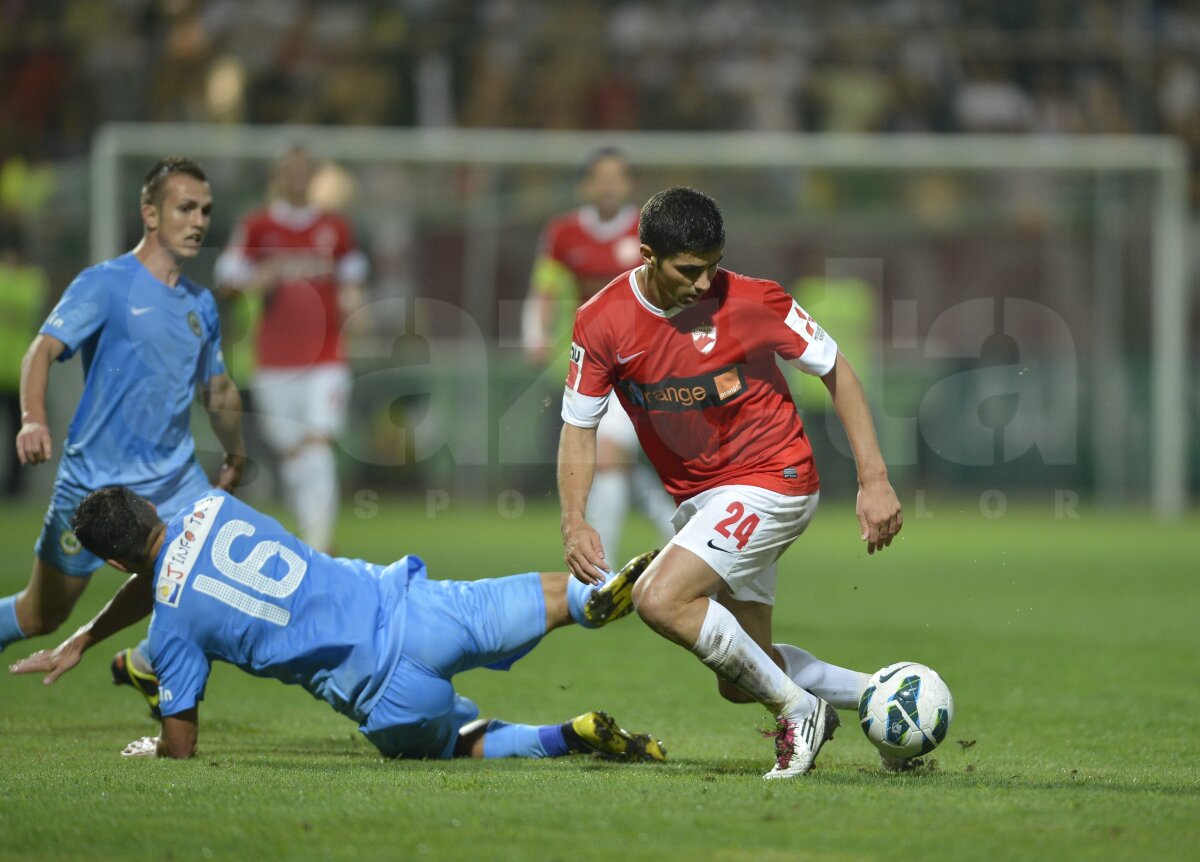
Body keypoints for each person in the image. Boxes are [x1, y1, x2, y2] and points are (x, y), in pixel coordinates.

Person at [557, 187, 904, 778]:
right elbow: (579, 427)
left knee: (659, 598)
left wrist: (874, 480)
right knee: (743, 676)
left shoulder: (751, 300)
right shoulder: (600, 322)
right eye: (689, 270)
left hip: (776, 479)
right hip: (704, 500)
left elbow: (836, 370)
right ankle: (886, 698)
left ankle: (799, 713)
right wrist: (575, 518)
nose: (702, 283)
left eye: (712, 266)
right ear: (647, 255)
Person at [10, 485, 667, 764]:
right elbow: (160, 571)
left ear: (116, 560)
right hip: (408, 609)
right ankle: (589, 602)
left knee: (454, 741)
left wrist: (157, 747)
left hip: (382, 694)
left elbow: (182, 744)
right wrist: (89, 633)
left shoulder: (175, 624)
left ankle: (564, 735)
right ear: (151, 503)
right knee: (545, 594)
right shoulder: (212, 505)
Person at [0, 158, 246, 713]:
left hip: (175, 483)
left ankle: (150, 662)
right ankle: (144, 661)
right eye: (186, 207)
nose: (199, 220)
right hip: (96, 491)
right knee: (41, 615)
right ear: (150, 214)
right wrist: (33, 417)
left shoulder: (200, 305)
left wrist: (236, 452)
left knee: (216, 579)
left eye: (206, 210)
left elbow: (219, 389)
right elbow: (40, 351)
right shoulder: (106, 284)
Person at [522, 147, 675, 568]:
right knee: (613, 461)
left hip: (643, 367)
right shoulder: (563, 233)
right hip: (588, 363)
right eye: (599, 177)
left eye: (617, 176)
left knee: (607, 457)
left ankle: (597, 570)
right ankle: (681, 532)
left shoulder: (650, 230)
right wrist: (535, 332)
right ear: (585, 185)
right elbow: (546, 289)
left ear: (629, 184)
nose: (608, 185)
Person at [214, 145, 368, 553]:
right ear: (278, 177)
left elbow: (353, 278)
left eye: (305, 171)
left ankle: (319, 545)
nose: (297, 178)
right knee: (292, 451)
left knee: (317, 441)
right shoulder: (258, 227)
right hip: (274, 359)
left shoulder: (335, 228)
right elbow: (226, 279)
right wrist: (256, 278)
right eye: (290, 171)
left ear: (313, 176)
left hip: (327, 356)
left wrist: (355, 305)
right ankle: (312, 535)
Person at [0, 219, 50, 496]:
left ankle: (14, 489)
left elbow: (24, 304)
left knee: (17, 433)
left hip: (20, 371)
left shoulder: (31, 280)